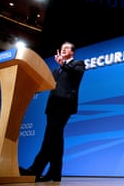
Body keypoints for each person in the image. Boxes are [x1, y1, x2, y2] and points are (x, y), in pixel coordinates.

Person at [20, 41, 85, 182]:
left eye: (67, 48)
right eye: (62, 48)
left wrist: (63, 64)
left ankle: (35, 170)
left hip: (65, 104)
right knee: (56, 140)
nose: (63, 50)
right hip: (52, 106)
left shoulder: (78, 64)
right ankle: (54, 174)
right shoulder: (56, 71)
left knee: (50, 138)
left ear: (72, 52)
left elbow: (76, 74)